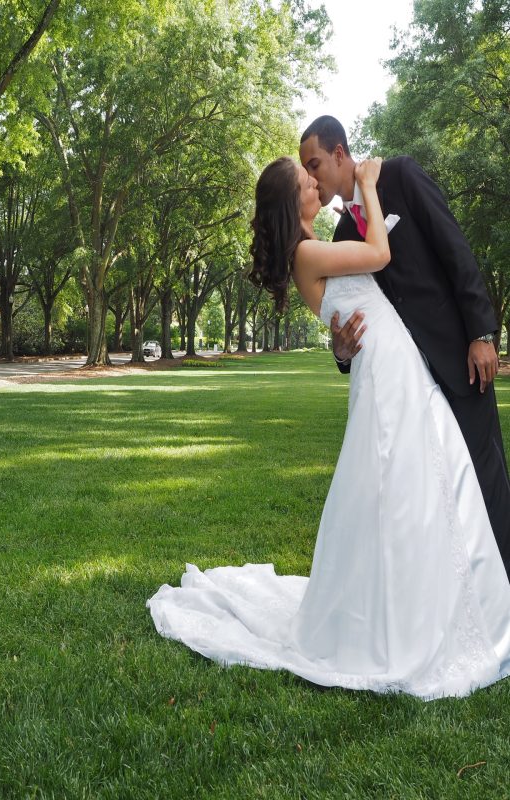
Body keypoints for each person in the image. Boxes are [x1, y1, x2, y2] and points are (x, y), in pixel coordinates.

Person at [147, 154, 510, 700]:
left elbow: (346, 316)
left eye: (314, 173)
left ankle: (441, 593)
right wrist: (366, 181)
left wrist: (341, 345)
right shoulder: (309, 251)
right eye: (305, 181)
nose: (315, 183)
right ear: (294, 203)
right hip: (387, 370)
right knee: (402, 479)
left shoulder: (318, 245)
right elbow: (381, 254)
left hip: (392, 362)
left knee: (418, 479)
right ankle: (414, 614)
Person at [299, 116, 510, 580]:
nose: (312, 178)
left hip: (459, 359)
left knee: (484, 475)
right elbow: (354, 318)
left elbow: (456, 248)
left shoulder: (401, 175)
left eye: (314, 164)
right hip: (407, 387)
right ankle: (462, 594)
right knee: (438, 493)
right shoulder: (342, 239)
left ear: (340, 153)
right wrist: (340, 351)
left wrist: (482, 333)